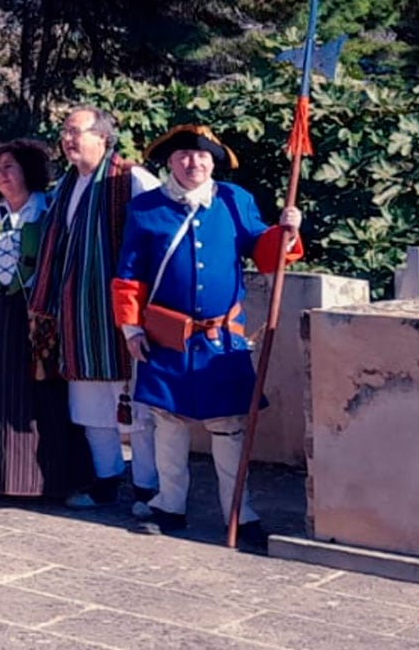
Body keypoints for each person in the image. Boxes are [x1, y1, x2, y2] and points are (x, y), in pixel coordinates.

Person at [113, 124, 302, 552]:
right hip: (166, 338)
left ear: (213, 162)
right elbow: (128, 276)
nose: (193, 162)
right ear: (170, 162)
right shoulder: (145, 209)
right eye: (183, 156)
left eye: (201, 156)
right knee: (169, 425)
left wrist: (287, 231)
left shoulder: (236, 201)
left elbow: (265, 253)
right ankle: (168, 507)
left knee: (229, 428)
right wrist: (131, 328)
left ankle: (240, 512)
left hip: (221, 340)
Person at [27, 106, 160, 510]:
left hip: (120, 317)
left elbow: (158, 235)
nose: (67, 139)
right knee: (88, 406)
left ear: (102, 137)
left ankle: (147, 487)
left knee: (133, 408)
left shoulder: (130, 179)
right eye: (64, 132)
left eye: (75, 132)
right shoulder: (68, 184)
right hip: (77, 317)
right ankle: (107, 480)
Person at [0, 140, 90, 498]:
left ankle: (56, 481)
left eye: (10, 167)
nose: (3, 175)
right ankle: (6, 480)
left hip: (40, 314)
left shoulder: (50, 209)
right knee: (3, 391)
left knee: (45, 391)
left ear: (28, 170)